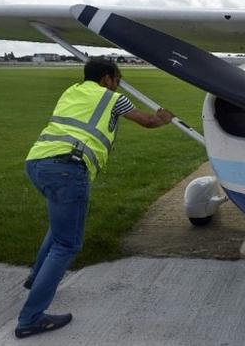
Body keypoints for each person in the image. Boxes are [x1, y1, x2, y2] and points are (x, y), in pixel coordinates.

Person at [15, 59, 174, 338]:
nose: (119, 83)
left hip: (37, 163)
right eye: (118, 79)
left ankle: (35, 279)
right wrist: (164, 117)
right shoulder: (113, 98)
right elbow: (148, 122)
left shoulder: (71, 91)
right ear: (107, 78)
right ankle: (31, 318)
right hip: (67, 169)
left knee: (59, 228)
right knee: (67, 244)